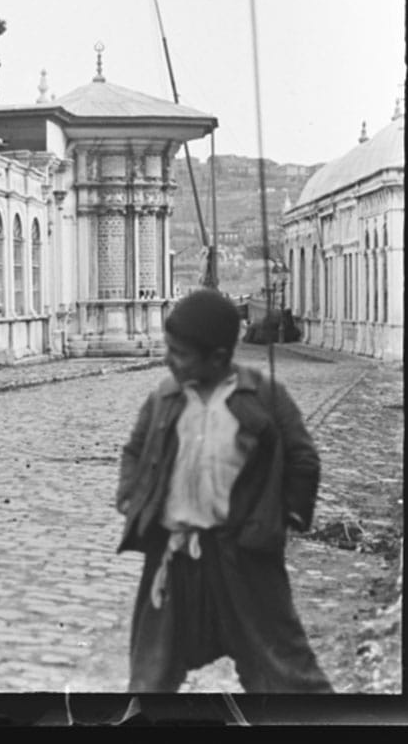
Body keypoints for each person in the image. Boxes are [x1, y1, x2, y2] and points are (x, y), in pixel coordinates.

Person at [116, 288, 333, 693]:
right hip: (174, 556)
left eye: (179, 353)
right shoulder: (165, 398)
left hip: (244, 556)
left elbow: (303, 460)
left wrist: (280, 518)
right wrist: (131, 494)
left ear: (217, 358)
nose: (169, 360)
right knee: (150, 678)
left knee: (283, 674)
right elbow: (134, 449)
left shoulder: (264, 397)